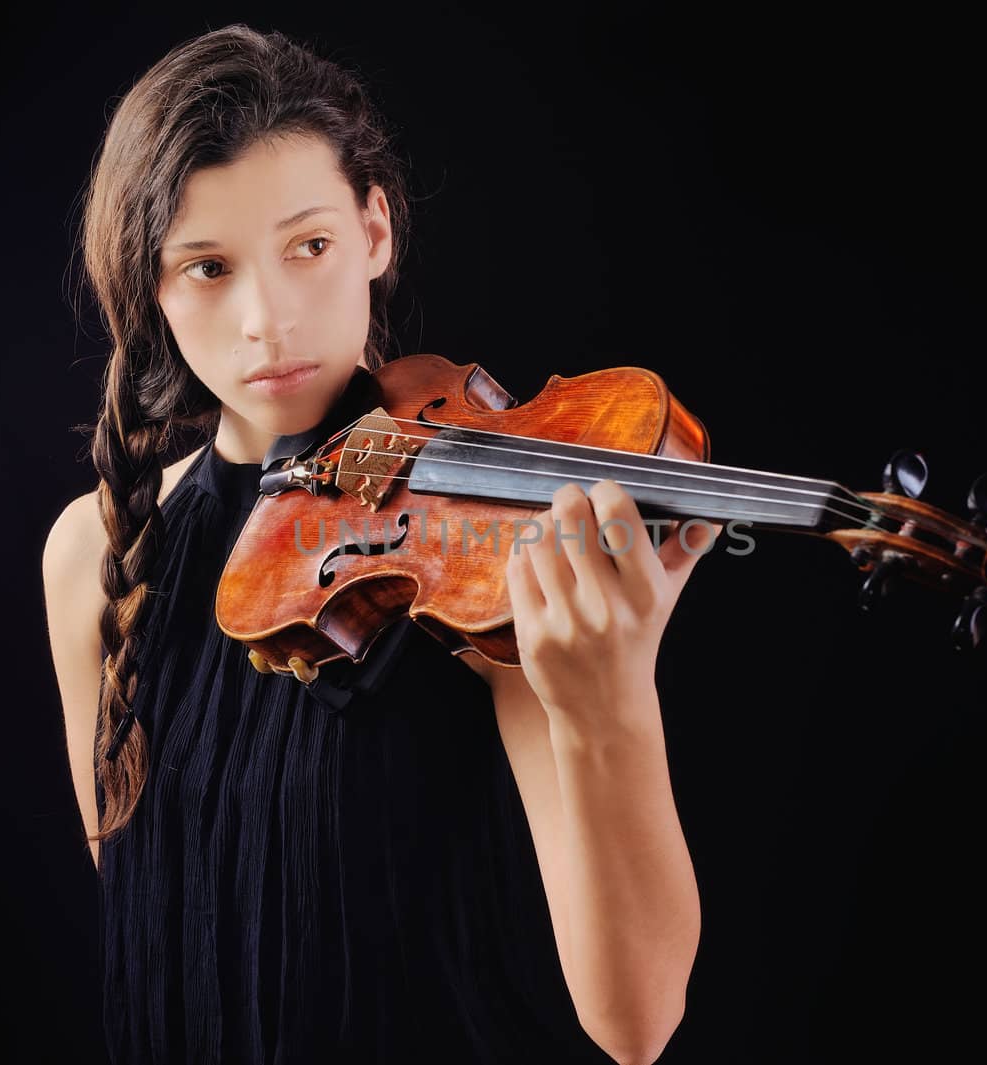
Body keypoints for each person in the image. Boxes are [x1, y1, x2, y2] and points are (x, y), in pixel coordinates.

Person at [42, 23, 714, 1065]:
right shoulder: (94, 553)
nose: (268, 319)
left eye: (308, 247)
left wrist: (608, 700)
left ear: (375, 233)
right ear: (152, 289)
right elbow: (159, 914)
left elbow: (635, 1022)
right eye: (208, 268)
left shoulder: (471, 549)